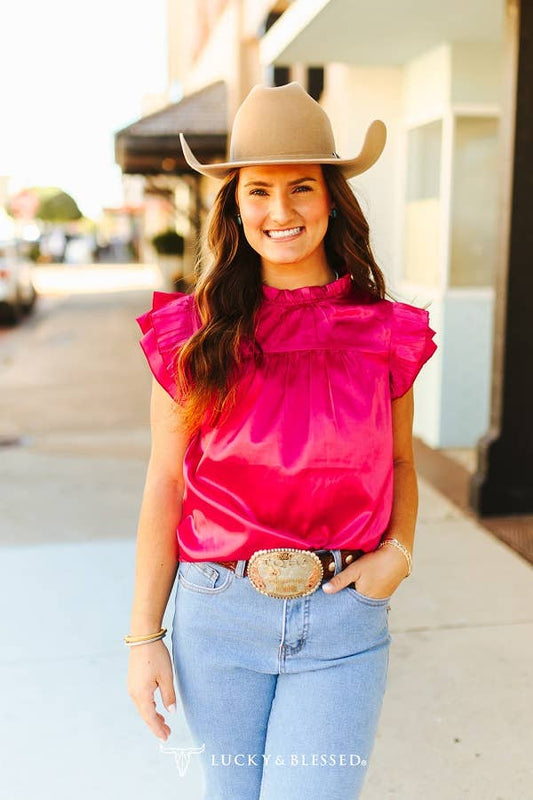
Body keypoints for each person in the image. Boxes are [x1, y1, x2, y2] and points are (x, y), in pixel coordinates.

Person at [125, 82, 438, 800]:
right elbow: (164, 485)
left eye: (302, 186)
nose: (281, 211)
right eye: (258, 190)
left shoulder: (384, 331)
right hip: (218, 616)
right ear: (234, 205)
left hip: (340, 618)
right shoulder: (192, 334)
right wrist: (145, 637)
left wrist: (398, 554)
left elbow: (399, 462)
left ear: (332, 199)